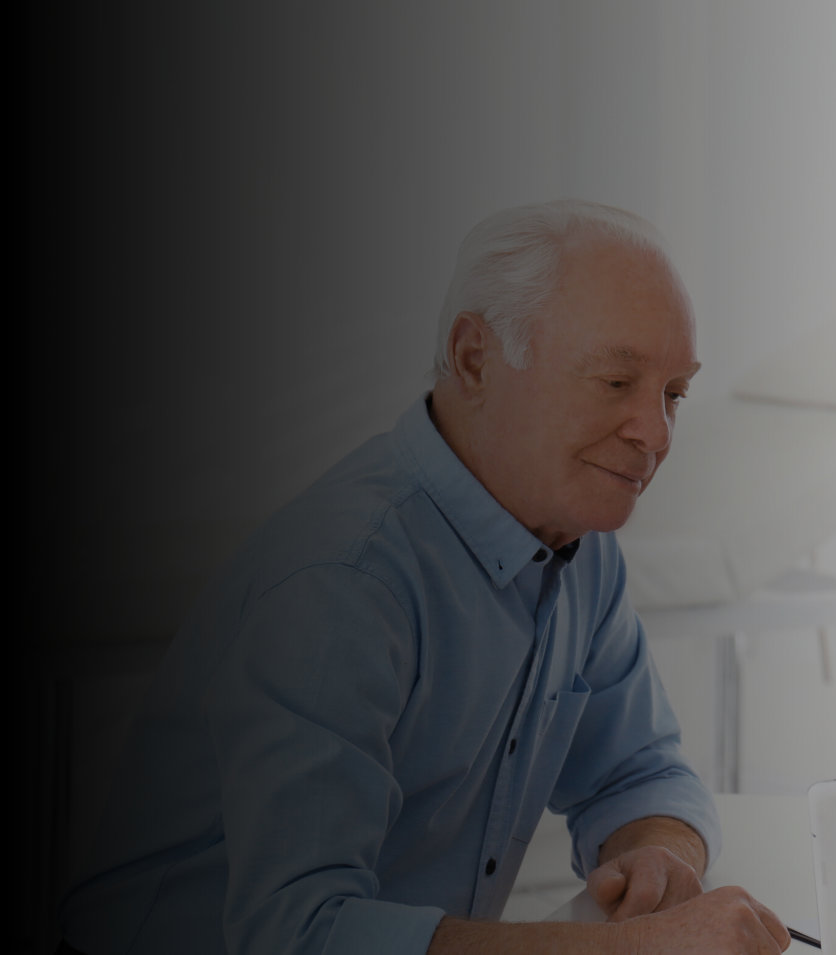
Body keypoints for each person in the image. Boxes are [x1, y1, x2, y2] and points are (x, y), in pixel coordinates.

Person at [59, 200, 791, 955]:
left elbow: (640, 769)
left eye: (673, 393)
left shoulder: (581, 548)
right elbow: (299, 934)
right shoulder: (345, 579)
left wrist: (659, 853)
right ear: (475, 359)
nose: (656, 433)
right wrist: (633, 950)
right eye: (615, 382)